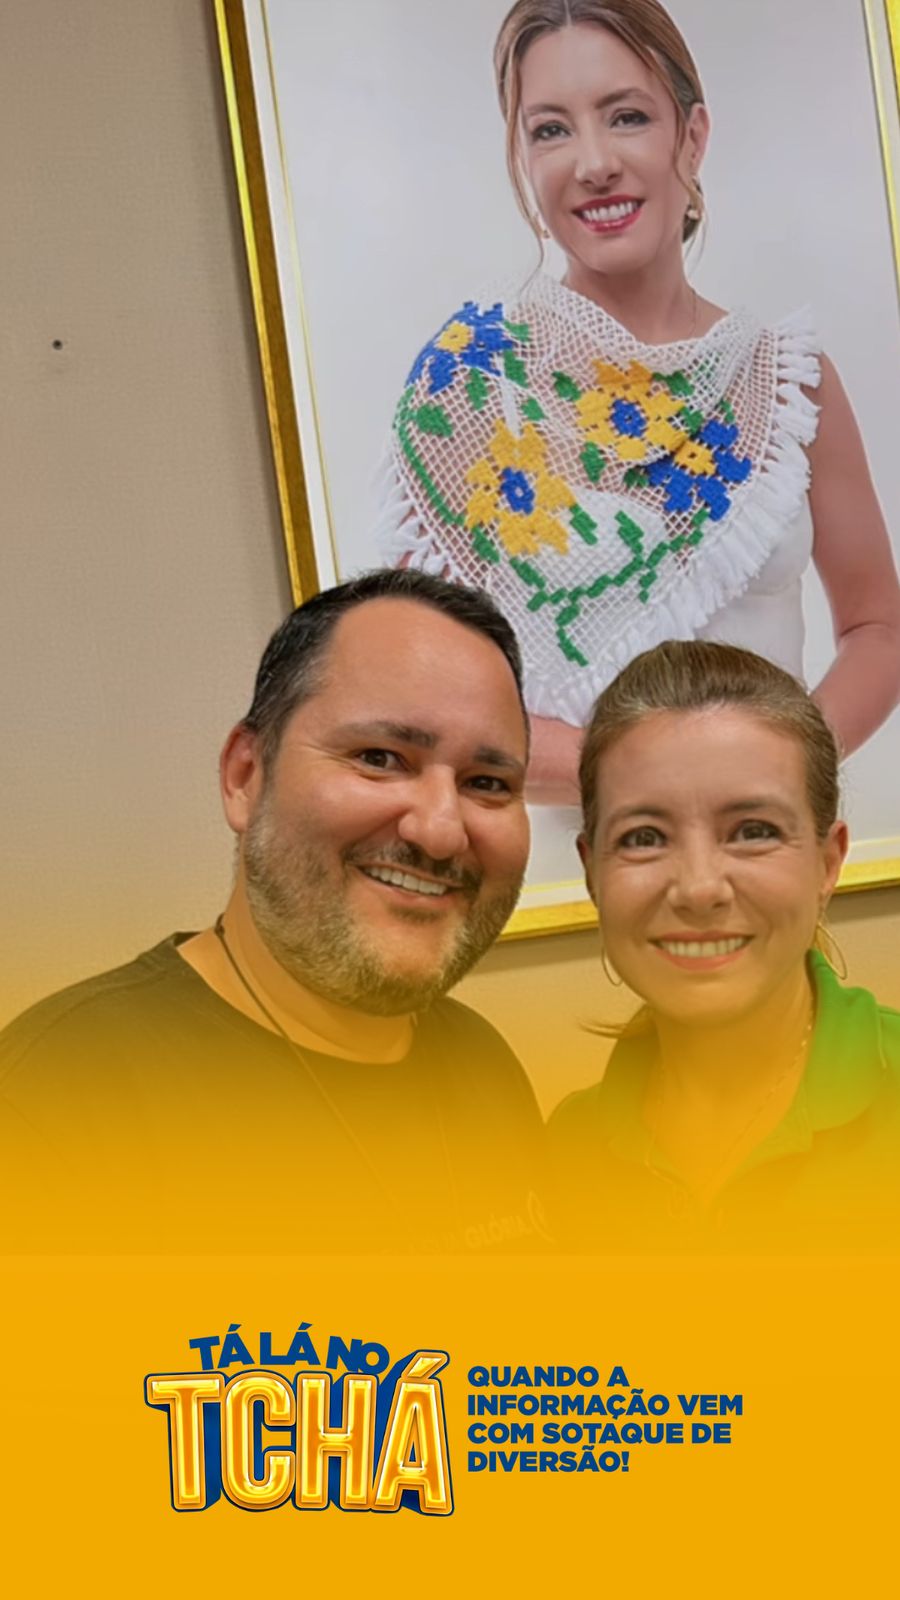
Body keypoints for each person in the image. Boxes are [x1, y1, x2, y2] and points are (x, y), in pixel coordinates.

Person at [378, 0, 900, 803]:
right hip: (563, 862)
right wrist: (657, 778)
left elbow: (878, 629)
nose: (593, 163)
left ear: (692, 137)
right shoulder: (474, 385)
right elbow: (424, 687)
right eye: (550, 129)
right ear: (520, 156)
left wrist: (777, 768)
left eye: (626, 117)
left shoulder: (784, 381)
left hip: (764, 844)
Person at [0, 569, 549, 1253]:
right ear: (244, 777)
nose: (440, 831)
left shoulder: (485, 1065)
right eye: (380, 757)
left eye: (487, 782)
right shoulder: (58, 1100)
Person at [548, 638, 900, 1251]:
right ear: (592, 872)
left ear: (827, 862)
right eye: (643, 837)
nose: (699, 888)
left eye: (753, 831)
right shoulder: (565, 1149)